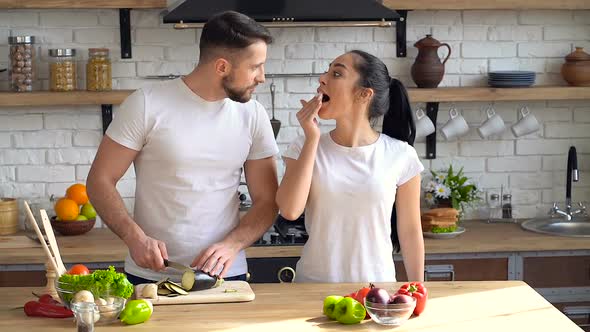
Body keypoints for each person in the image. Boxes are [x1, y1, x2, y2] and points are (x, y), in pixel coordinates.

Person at [87, 11, 279, 284]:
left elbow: (268, 200)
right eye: (255, 67)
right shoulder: (146, 104)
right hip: (151, 274)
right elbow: (100, 180)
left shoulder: (253, 114)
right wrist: (134, 237)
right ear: (222, 67)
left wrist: (231, 246)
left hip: (226, 275)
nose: (262, 77)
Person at [276, 50, 425, 283]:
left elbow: (410, 232)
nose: (322, 79)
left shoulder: (401, 155)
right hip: (311, 288)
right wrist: (312, 138)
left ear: (364, 94)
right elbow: (289, 210)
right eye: (327, 71)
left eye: (336, 73)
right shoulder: (304, 145)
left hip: (377, 291)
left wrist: (418, 289)